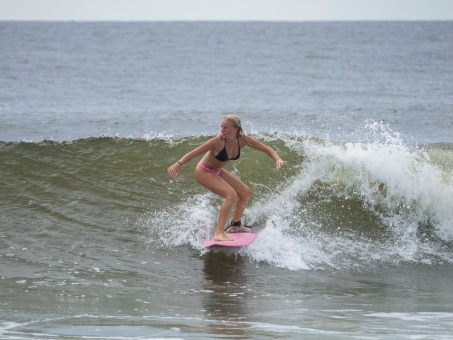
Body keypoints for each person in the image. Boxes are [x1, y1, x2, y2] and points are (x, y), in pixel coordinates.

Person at [167, 114, 286, 241]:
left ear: (236, 129)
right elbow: (195, 152)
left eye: (226, 128)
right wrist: (178, 164)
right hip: (204, 171)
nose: (222, 130)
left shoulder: (243, 140)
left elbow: (266, 149)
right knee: (231, 195)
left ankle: (235, 225)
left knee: (245, 192)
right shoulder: (218, 141)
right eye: (221, 127)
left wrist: (277, 158)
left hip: (217, 171)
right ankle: (219, 233)